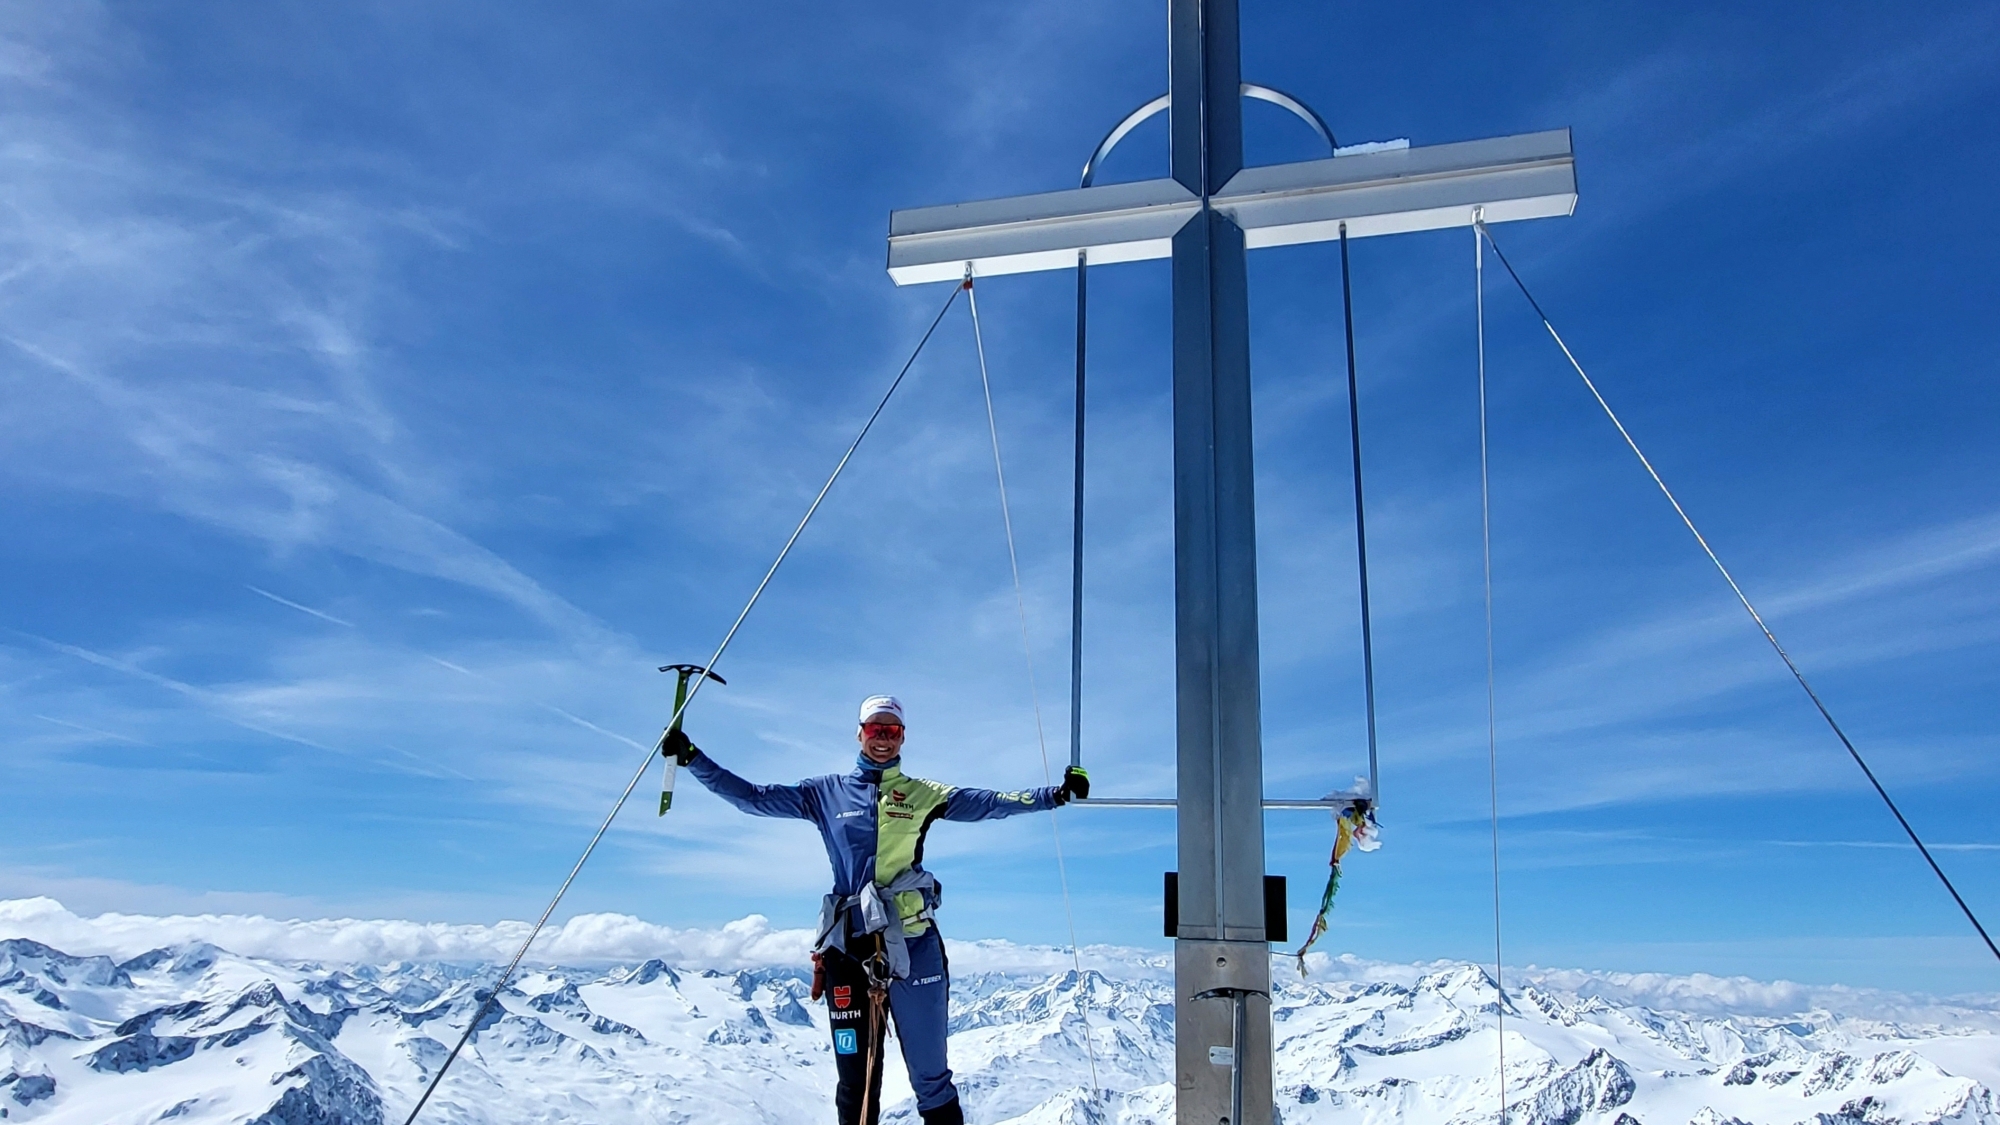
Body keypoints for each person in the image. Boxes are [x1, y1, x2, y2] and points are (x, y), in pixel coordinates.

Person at [664, 694, 1089, 1125]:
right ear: (859, 733)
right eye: (874, 729)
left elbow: (990, 803)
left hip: (912, 941)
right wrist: (694, 759)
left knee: (931, 1078)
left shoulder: (924, 795)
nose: (883, 739)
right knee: (857, 1082)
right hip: (848, 947)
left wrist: (1053, 794)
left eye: (892, 731)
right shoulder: (824, 793)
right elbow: (753, 798)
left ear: (903, 736)